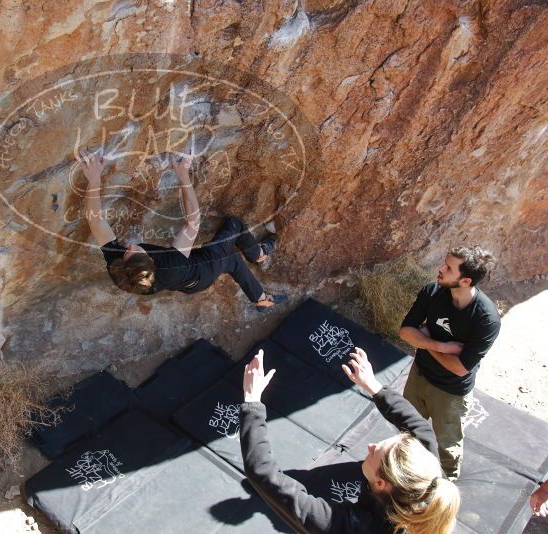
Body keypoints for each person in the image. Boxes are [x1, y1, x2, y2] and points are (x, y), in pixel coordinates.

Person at [240, 347, 460, 534]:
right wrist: (374, 386)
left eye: (375, 452)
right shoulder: (425, 474)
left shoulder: (348, 527)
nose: (370, 446)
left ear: (381, 483)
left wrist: (252, 401)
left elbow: (262, 473)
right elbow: (420, 429)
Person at [77, 149, 285, 312]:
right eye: (137, 251)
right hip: (201, 271)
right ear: (153, 262)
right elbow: (193, 221)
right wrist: (184, 175)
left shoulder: (121, 270)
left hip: (185, 281)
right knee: (233, 227)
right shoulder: (170, 265)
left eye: (128, 253)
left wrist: (94, 180)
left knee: (233, 260)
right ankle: (258, 254)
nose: (130, 247)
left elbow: (96, 222)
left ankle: (260, 299)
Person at [398, 246, 501, 479]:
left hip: (451, 391)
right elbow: (405, 332)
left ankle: (445, 485)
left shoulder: (486, 319)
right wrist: (440, 346)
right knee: (406, 428)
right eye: (444, 263)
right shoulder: (433, 291)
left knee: (446, 444)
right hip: (420, 375)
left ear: (465, 281)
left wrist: (424, 339)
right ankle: (402, 472)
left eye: (448, 268)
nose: (440, 269)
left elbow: (460, 367)